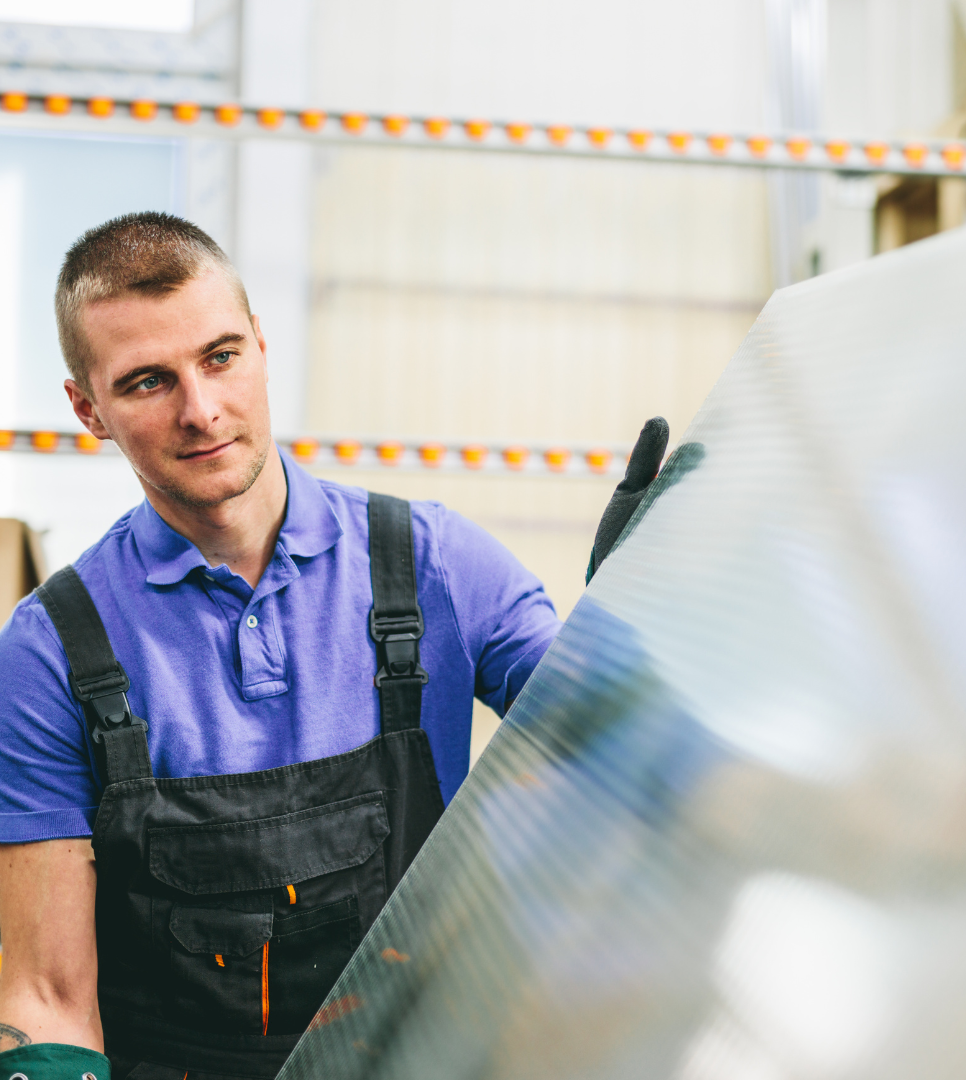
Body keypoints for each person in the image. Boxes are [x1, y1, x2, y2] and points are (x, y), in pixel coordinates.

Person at [0, 213, 667, 1080]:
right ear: (88, 408)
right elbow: (47, 998)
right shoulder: (49, 652)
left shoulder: (436, 566)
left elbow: (623, 744)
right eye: (148, 381)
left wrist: (655, 608)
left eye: (221, 356)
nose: (201, 410)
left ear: (262, 347)